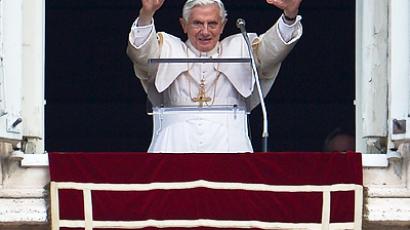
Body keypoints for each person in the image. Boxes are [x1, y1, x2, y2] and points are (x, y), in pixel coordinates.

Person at [126, 0, 303, 153]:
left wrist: (289, 16)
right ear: (183, 25)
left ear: (223, 25)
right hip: (174, 143)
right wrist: (147, 14)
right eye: (197, 23)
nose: (205, 31)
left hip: (230, 143)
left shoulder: (241, 48)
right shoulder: (167, 49)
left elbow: (271, 52)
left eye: (212, 24)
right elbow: (140, 54)